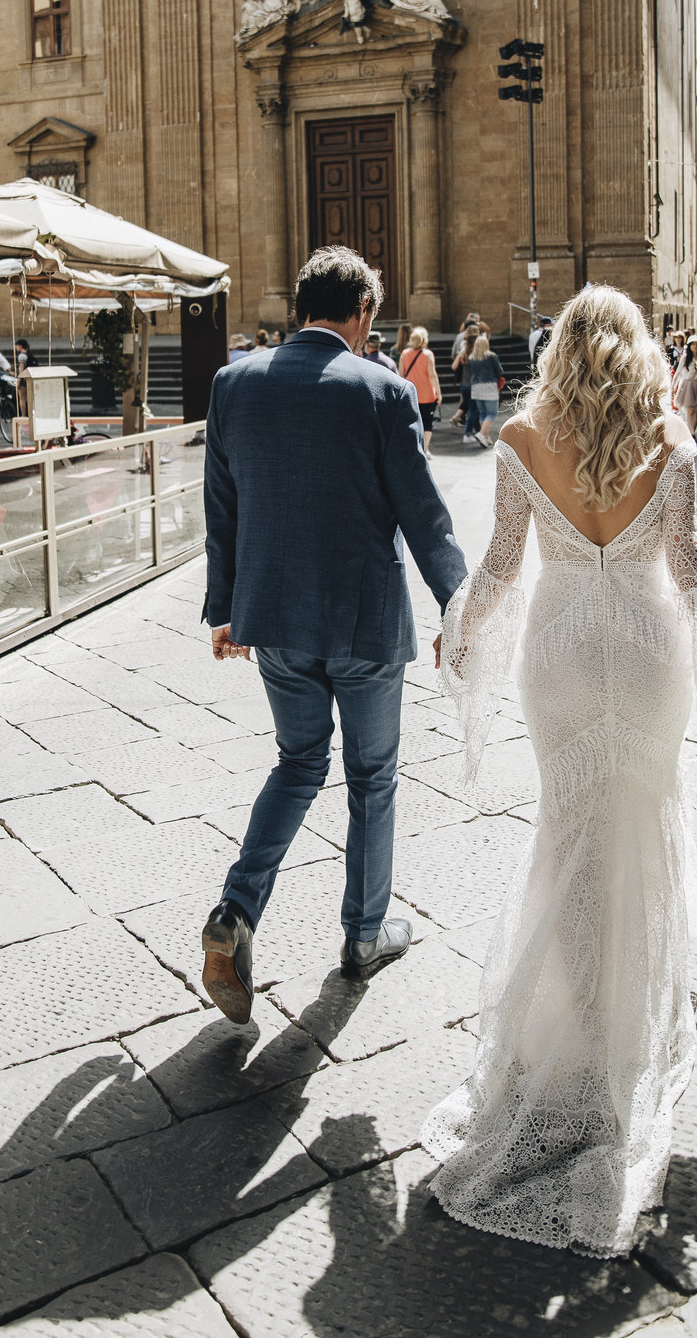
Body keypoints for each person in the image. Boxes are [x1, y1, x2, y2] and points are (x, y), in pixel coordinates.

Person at [422, 284, 697, 1255]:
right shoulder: (669, 440)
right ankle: (618, 1054)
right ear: (636, 351)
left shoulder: (524, 439)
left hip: (561, 658)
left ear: (563, 351)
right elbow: (691, 566)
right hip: (646, 656)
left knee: (568, 844)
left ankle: (565, 1045)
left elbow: (499, 567)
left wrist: (461, 630)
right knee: (643, 848)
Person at [200, 245, 467, 1024]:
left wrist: (225, 608)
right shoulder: (383, 390)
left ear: (300, 305)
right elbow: (423, 514)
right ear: (362, 315)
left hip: (272, 616)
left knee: (297, 761)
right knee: (372, 774)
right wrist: (460, 602)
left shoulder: (233, 382)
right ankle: (362, 935)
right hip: (362, 621)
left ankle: (237, 909)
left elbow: (222, 508)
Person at [397, 325, 442, 455]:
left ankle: (414, 447)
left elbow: (401, 375)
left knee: (412, 421)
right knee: (428, 423)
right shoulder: (428, 354)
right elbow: (432, 375)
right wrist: (438, 393)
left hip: (411, 394)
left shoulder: (404, 354)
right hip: (427, 394)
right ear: (423, 340)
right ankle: (425, 449)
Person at [465, 332, 505, 446]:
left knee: (482, 413)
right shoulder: (491, 355)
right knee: (492, 413)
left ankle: (486, 438)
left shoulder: (471, 358)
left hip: (476, 387)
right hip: (489, 386)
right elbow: (500, 371)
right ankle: (482, 433)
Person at [671, 336, 697, 437]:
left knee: (696, 410)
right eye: (693, 344)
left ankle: (692, 430)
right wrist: (673, 387)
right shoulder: (685, 358)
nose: (695, 346)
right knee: (690, 410)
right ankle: (691, 433)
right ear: (689, 346)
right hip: (688, 385)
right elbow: (678, 373)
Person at [450, 321, 479, 429]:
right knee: (472, 408)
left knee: (466, 403)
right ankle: (469, 432)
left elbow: (453, 366)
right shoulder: (477, 351)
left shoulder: (464, 348)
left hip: (464, 383)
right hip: (474, 384)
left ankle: (456, 417)